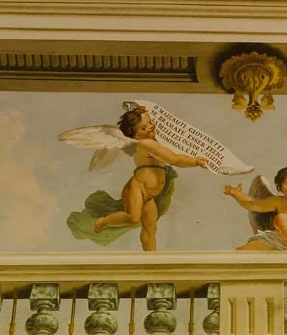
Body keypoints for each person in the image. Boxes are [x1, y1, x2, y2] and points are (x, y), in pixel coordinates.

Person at [66, 106, 210, 251]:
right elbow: (175, 160)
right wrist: (195, 161)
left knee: (150, 228)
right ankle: (104, 221)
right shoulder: (146, 144)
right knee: (133, 218)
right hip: (137, 189)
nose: (151, 127)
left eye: (150, 122)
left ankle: (150, 256)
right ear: (134, 135)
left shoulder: (152, 141)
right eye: (144, 128)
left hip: (148, 196)